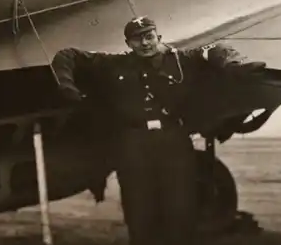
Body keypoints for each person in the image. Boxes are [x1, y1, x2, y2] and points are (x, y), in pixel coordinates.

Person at [51, 16, 266, 245]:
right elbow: (67, 55)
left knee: (180, 210)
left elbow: (215, 49)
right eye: (137, 39)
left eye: (149, 36)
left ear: (158, 37)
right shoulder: (114, 64)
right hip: (133, 146)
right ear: (128, 44)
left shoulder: (181, 60)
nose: (144, 43)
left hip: (173, 143)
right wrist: (66, 86)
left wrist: (237, 65)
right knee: (139, 213)